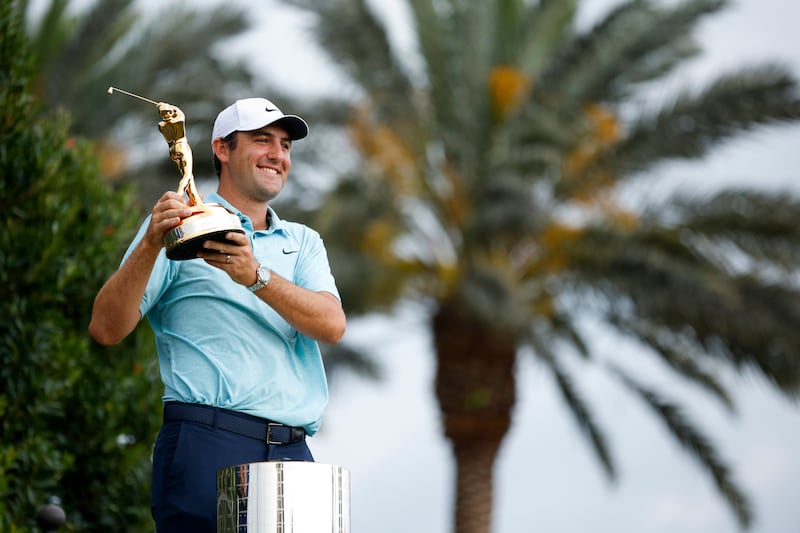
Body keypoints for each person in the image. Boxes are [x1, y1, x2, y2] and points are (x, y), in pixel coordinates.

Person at [88, 97, 346, 532]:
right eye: (262, 140)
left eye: (285, 145)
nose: (277, 155)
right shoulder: (179, 226)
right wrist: (152, 243)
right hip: (207, 439)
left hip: (293, 452)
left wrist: (255, 275)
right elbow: (106, 328)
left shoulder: (302, 242)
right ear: (222, 149)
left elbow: (331, 324)